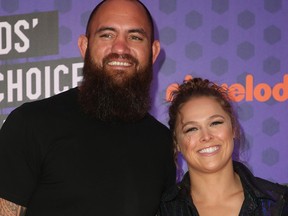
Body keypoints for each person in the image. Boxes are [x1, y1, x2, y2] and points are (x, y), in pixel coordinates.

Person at [0, 0, 176, 215]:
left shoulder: (161, 141)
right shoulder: (31, 124)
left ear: (153, 51)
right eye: (107, 35)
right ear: (84, 46)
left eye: (135, 37)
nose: (120, 47)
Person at [157, 78, 288, 215]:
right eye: (192, 129)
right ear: (176, 142)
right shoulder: (164, 210)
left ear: (233, 129)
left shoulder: (280, 203)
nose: (206, 136)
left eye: (215, 123)